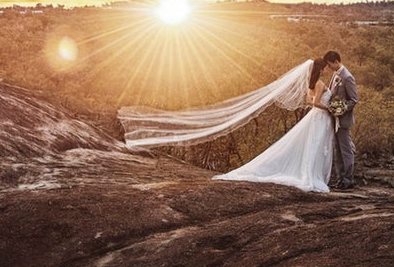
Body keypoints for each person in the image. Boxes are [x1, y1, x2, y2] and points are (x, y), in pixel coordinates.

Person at [117, 57, 337, 193]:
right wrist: (331, 109)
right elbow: (316, 102)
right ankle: (309, 176)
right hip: (319, 117)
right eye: (324, 69)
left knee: (310, 147)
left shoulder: (312, 83)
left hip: (316, 118)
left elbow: (309, 101)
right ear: (319, 70)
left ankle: (309, 173)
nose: (326, 71)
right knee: (313, 147)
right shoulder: (318, 83)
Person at [323, 50, 359, 190]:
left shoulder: (347, 77)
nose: (329, 67)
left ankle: (348, 180)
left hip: (343, 120)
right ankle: (340, 179)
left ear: (336, 61)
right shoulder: (335, 75)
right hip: (335, 119)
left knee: (346, 150)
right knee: (338, 150)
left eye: (329, 64)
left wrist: (340, 109)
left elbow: (354, 100)